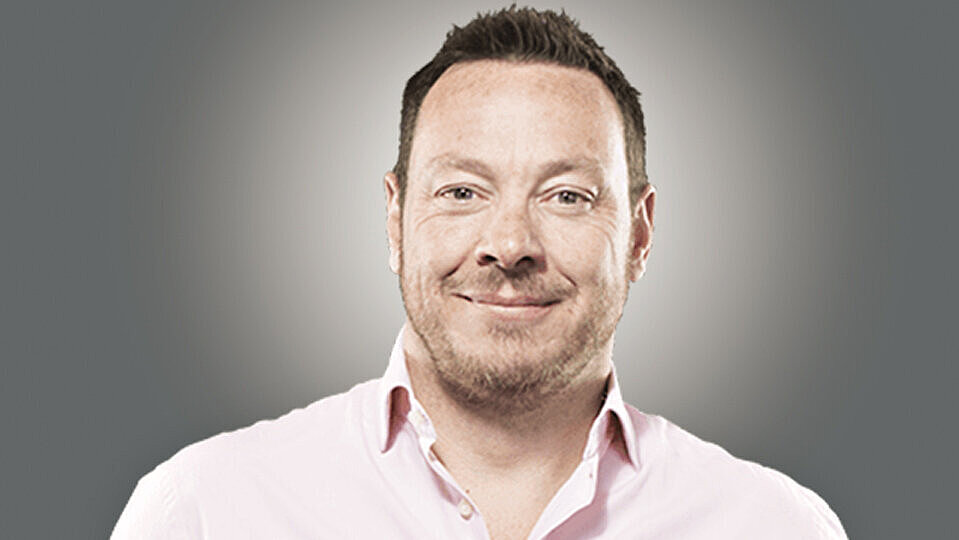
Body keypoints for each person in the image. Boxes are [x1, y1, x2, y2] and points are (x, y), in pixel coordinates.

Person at [113, 7, 846, 539]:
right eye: (462, 192)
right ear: (395, 219)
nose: (509, 244)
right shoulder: (205, 510)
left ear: (639, 234)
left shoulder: (775, 526)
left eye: (567, 196)